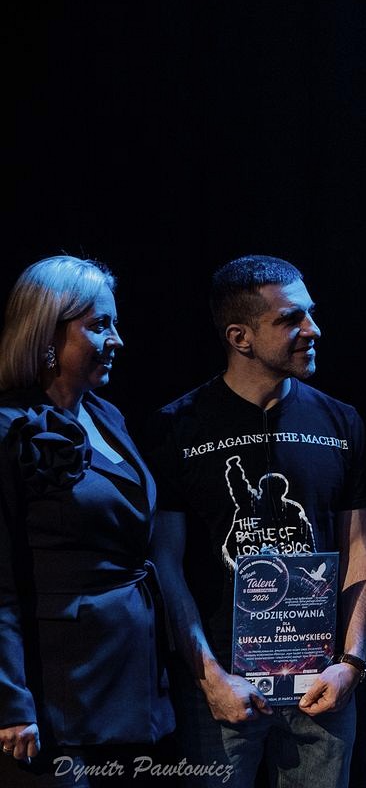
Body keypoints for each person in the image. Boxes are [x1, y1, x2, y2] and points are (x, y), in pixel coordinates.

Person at [142, 256, 366, 788]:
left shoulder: (341, 421)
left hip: (322, 680)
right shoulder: (177, 426)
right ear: (240, 337)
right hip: (224, 684)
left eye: (310, 314)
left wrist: (351, 662)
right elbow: (165, 562)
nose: (313, 330)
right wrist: (210, 677)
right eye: (291, 319)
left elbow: (360, 546)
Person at [0, 256, 174, 785]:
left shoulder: (105, 413)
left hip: (132, 679)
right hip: (59, 692)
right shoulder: (8, 429)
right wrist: (10, 701)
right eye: (100, 325)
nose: (117, 339)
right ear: (47, 336)